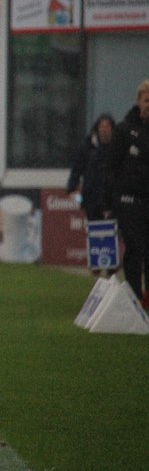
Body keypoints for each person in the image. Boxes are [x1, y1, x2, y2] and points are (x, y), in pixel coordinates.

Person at [103, 80, 149, 309]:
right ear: (138, 101)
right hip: (128, 200)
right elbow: (111, 166)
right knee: (135, 248)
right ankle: (134, 295)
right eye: (147, 100)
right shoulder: (124, 130)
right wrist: (110, 201)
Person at [66, 113, 115, 222]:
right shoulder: (87, 148)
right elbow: (76, 170)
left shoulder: (118, 147)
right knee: (94, 227)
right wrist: (72, 189)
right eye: (102, 126)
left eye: (107, 126)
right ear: (97, 128)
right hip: (92, 198)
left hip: (113, 199)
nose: (104, 130)